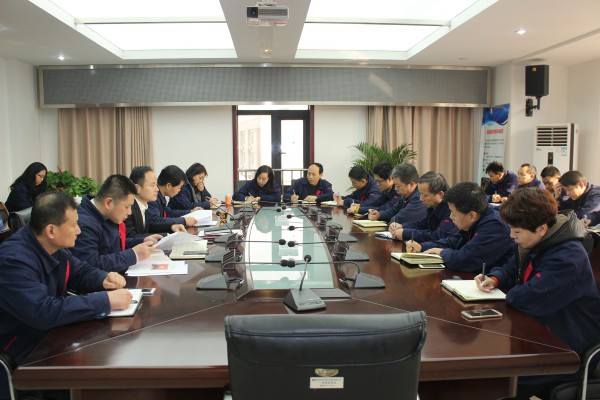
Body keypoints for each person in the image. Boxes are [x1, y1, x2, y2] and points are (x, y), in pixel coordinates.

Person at [0, 192, 132, 400]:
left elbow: (80, 271)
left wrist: (104, 278)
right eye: (74, 225)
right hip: (25, 356)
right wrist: (104, 301)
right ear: (51, 230)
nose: (79, 230)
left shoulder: (52, 246)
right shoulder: (13, 260)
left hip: (52, 340)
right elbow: (42, 311)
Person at [477, 188, 600, 399]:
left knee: (497, 380)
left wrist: (509, 293)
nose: (511, 236)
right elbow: (512, 267)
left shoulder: (567, 258)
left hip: (566, 345)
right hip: (537, 330)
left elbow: (528, 298)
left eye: (516, 232)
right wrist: (495, 278)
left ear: (541, 228)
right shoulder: (538, 240)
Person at [408, 181, 513, 273]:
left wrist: (441, 252)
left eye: (453, 213)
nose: (451, 217)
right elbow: (455, 241)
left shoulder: (494, 226)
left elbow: (464, 260)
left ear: (472, 215)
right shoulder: (478, 216)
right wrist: (422, 247)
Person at [73, 175, 161, 273]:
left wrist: (142, 241)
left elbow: (114, 244)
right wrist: (133, 255)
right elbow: (90, 264)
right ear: (108, 203)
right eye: (127, 207)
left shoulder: (107, 214)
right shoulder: (84, 224)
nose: (129, 212)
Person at [390, 171, 458, 242]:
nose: (421, 199)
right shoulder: (433, 206)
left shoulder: (451, 209)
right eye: (420, 194)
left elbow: (438, 236)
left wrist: (407, 233)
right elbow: (424, 224)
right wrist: (402, 226)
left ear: (440, 194)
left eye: (425, 195)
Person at [125, 166, 186, 237]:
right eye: (152, 185)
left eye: (156, 185)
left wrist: (171, 227)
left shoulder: (143, 206)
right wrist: (165, 235)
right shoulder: (128, 208)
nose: (157, 189)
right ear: (137, 188)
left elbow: (150, 225)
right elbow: (131, 237)